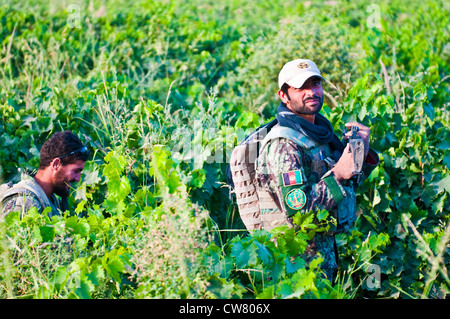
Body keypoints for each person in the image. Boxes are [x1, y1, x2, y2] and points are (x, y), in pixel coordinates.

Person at [254, 59, 379, 280]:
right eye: (301, 87)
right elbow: (299, 213)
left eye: (316, 84)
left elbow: (347, 186)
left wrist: (362, 154)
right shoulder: (284, 144)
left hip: (323, 258)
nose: (311, 92)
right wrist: (338, 174)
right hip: (295, 267)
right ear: (283, 95)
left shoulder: (319, 133)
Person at [0, 130, 89, 218]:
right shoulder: (24, 203)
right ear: (56, 164)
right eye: (76, 171)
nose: (77, 179)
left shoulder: (51, 200)